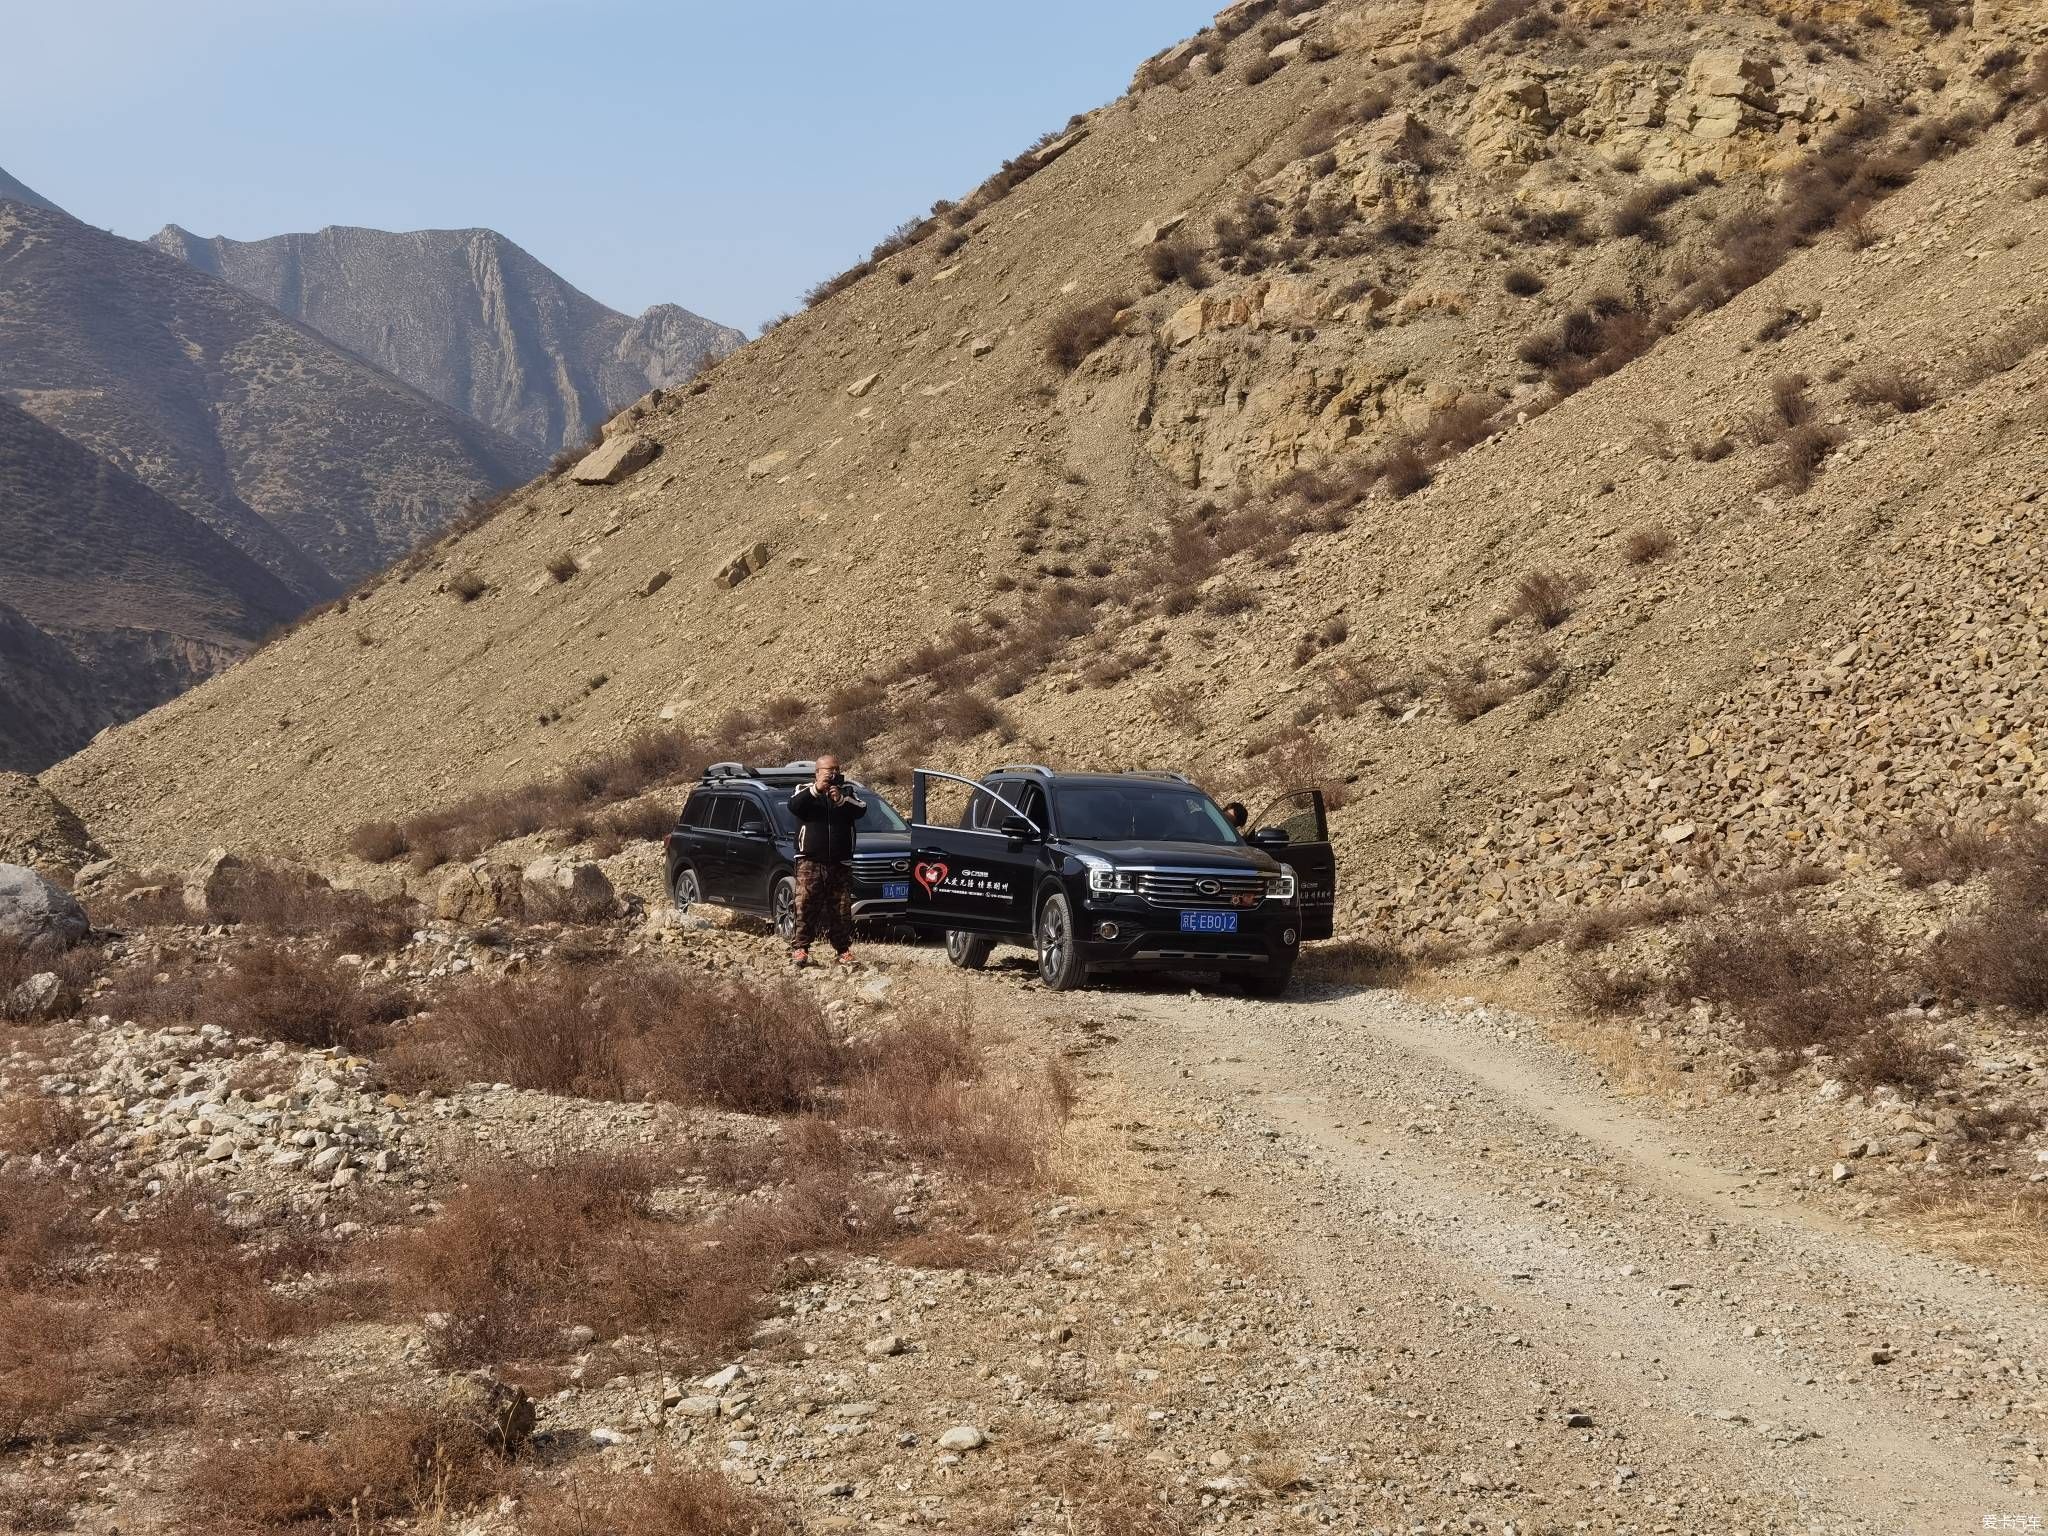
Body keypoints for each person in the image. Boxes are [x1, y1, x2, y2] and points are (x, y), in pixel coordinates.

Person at [787, 755, 868, 966]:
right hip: (810, 861)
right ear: (817, 772)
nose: (831, 773)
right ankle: (801, 949)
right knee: (804, 905)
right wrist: (817, 789)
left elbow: (861, 810)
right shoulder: (803, 789)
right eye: (827, 770)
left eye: (835, 769)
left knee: (841, 908)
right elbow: (794, 806)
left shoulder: (847, 791)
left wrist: (840, 800)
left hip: (840, 862)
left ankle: (843, 951)